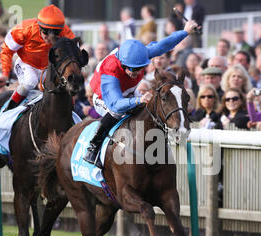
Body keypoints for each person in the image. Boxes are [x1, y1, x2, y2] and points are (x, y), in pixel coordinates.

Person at [83, 19, 199, 167]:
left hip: (127, 92)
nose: (136, 72)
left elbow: (165, 44)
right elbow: (116, 104)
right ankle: (93, 146)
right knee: (118, 113)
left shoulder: (141, 54)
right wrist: (138, 100)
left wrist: (185, 31)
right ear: (123, 65)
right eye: (133, 69)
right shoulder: (110, 72)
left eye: (140, 68)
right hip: (104, 98)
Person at [0, 5, 75, 111]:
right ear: (39, 27)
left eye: (55, 33)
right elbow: (7, 50)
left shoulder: (66, 33)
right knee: (31, 81)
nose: (50, 38)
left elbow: (74, 56)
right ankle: (8, 108)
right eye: (46, 33)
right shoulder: (24, 29)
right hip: (26, 63)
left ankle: (72, 113)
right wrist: (5, 73)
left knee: (65, 85)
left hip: (49, 67)